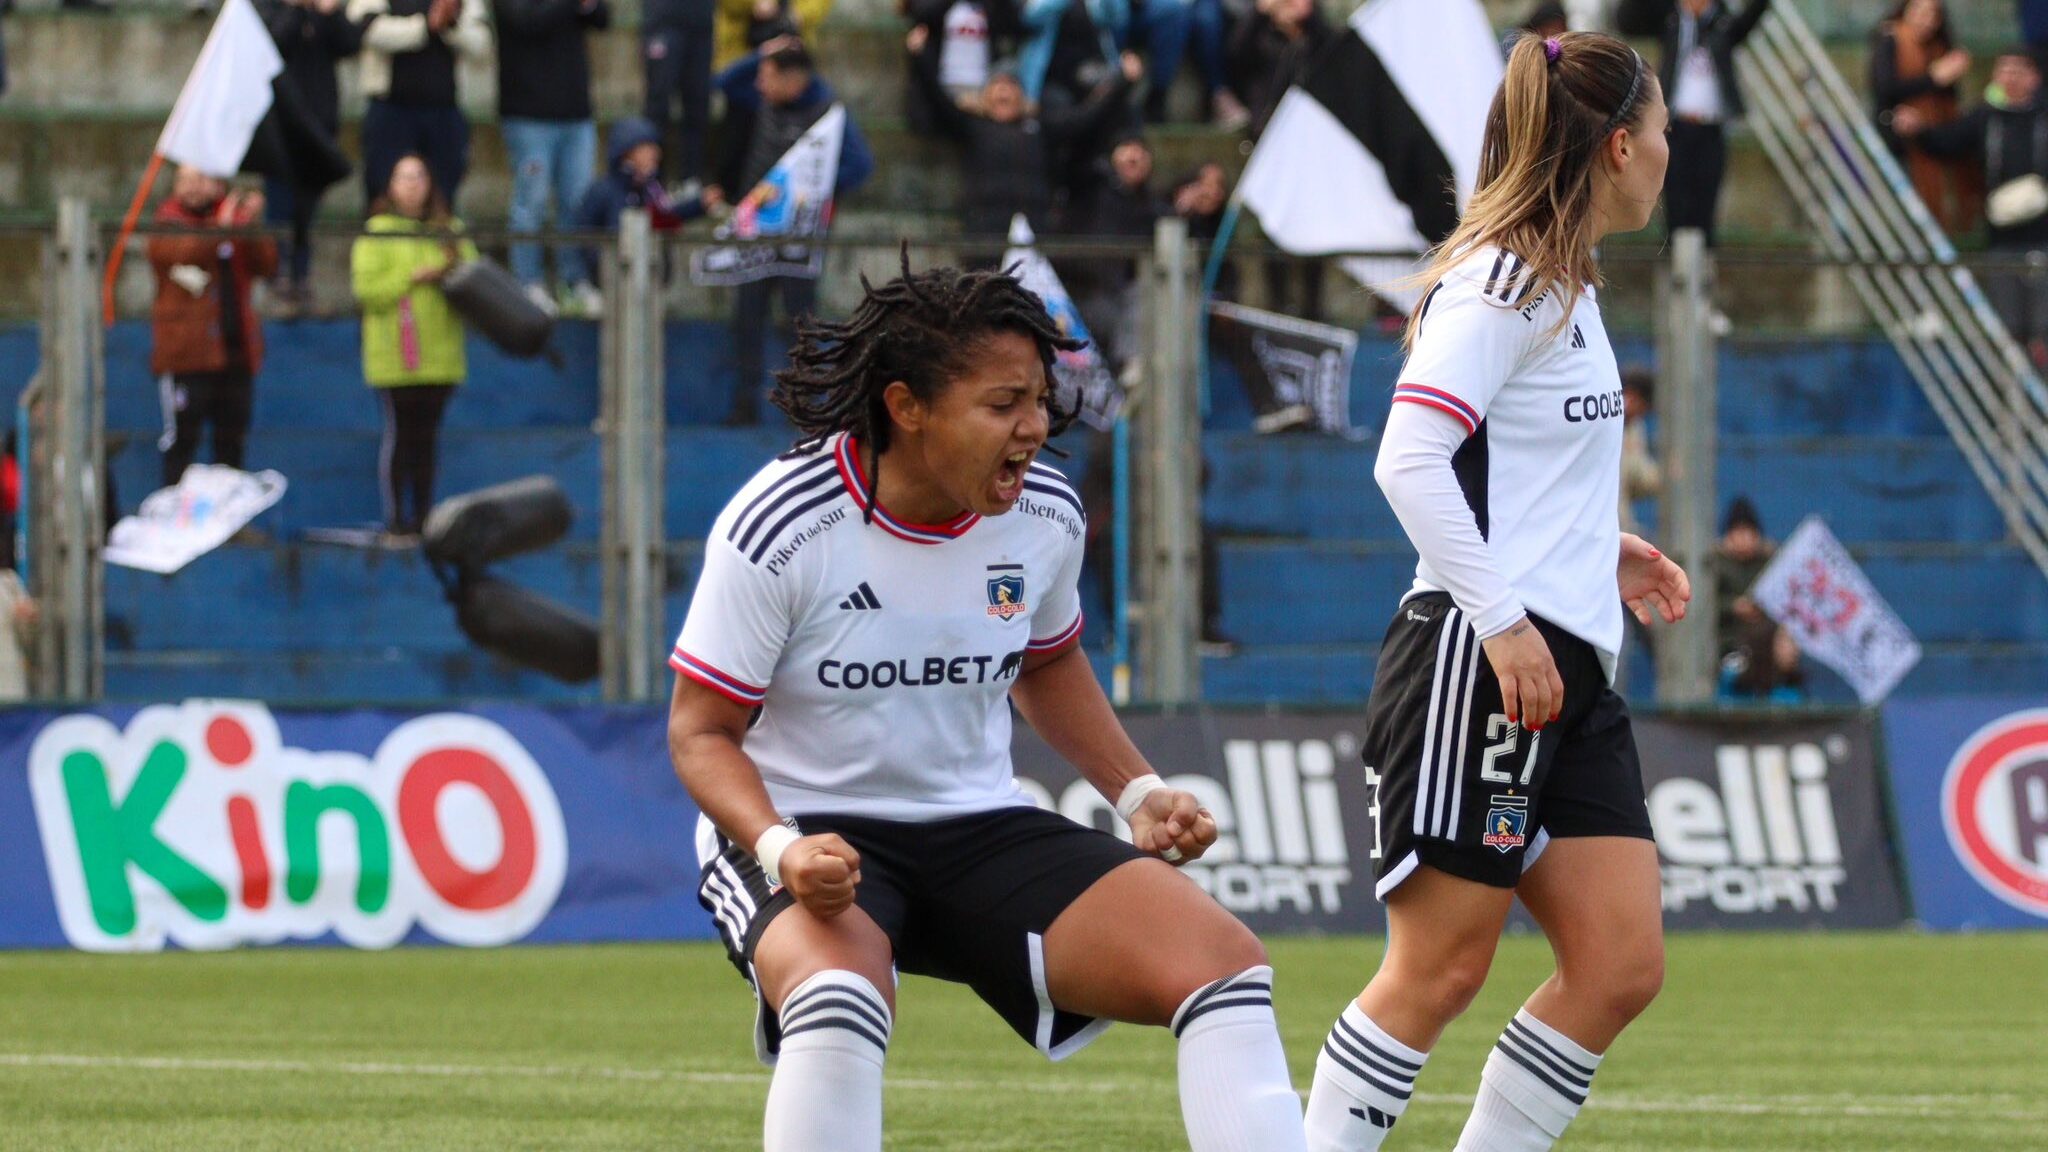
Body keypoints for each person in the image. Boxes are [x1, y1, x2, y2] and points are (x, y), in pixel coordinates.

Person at [668, 257, 1308, 1152]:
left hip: (977, 825)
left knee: (1227, 971)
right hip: (803, 824)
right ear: (906, 407)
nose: (1036, 428)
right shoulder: (784, 521)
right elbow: (699, 733)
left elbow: (1046, 664)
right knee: (838, 1003)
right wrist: (780, 848)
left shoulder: (1043, 511)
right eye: (1005, 404)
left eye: (1043, 400)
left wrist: (1138, 791)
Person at [1302, 32, 1690, 1152]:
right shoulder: (1506, 280)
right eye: (1659, 130)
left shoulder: (1565, 278)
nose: (1671, 150)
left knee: (1617, 966)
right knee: (1437, 971)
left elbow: (1506, 466)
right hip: (1480, 660)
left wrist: (1595, 546)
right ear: (1619, 146)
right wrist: (1507, 620)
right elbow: (1407, 459)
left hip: (1562, 659)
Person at [711, 37, 875, 426]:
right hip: (757, 233)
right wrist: (763, 51)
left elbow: (861, 165)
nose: (759, 83)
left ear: (793, 79)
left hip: (801, 239)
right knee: (746, 318)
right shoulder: (763, 103)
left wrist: (815, 188)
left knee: (800, 323)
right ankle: (744, 402)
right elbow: (726, 82)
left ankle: (803, 406)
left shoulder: (829, 113)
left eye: (767, 75)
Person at [350, 155, 478, 541]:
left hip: (440, 355)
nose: (412, 185)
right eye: (403, 177)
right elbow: (368, 291)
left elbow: (475, 281)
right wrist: (414, 277)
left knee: (427, 441)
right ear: (389, 185)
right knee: (401, 436)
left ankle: (424, 519)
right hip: (396, 356)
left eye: (419, 176)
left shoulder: (450, 230)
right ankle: (397, 519)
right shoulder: (377, 232)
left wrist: (448, 272)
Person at [1895, 49, 2048, 364]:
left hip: (2043, 240)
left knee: (2042, 332)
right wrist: (1919, 130)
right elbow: (1947, 143)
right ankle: (2013, 401)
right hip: (2002, 242)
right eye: (2004, 70)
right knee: (2009, 332)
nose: (2010, 78)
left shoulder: (2042, 118)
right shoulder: (1986, 118)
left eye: (2019, 71)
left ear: (2034, 78)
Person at [147, 166, 278, 488]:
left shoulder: (235, 224)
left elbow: (267, 264)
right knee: (182, 441)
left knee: (231, 443)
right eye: (186, 180)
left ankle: (227, 520)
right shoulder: (167, 223)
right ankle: (174, 519)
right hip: (187, 357)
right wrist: (221, 226)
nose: (194, 187)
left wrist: (250, 224)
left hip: (235, 354)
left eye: (201, 178)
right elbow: (184, 252)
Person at [1615, 0, 1769, 246]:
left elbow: (1750, 20)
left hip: (1711, 129)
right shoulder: (1671, 21)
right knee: (1675, 202)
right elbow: (1626, 20)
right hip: (1676, 127)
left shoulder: (1722, 24)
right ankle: (1676, 263)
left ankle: (1703, 263)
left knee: (1705, 202)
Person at [493, 0, 611, 313]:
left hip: (576, 111)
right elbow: (526, 20)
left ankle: (573, 281)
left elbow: (602, 18)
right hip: (527, 113)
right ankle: (527, 282)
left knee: (576, 201)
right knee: (531, 203)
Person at [256, 0, 364, 312]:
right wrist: (294, 9)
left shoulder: (323, 9)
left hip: (319, 123)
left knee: (307, 208)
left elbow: (349, 44)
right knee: (278, 206)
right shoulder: (269, 7)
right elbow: (273, 44)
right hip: (280, 124)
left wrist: (329, 14)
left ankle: (301, 277)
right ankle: (275, 276)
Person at [348, 0, 493, 206]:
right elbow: (366, 30)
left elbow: (482, 43)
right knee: (381, 194)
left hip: (444, 111)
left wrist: (451, 25)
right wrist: (426, 26)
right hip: (390, 109)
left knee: (444, 197)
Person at [567, 116, 720, 306]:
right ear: (627, 152)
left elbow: (666, 216)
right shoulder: (603, 191)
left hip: (649, 283)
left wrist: (699, 205)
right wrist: (599, 269)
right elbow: (585, 234)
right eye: (646, 147)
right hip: (611, 288)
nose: (654, 153)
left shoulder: (652, 189)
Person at [1871, 0, 1978, 234]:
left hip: (1934, 138)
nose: (1926, 19)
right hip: (1899, 141)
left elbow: (1949, 102)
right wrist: (1933, 78)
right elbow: (1884, 91)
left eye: (1933, 14)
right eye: (1919, 11)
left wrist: (1950, 72)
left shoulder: (1940, 48)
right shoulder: (1890, 38)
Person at [643, 0, 717, 186]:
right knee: (658, 107)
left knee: (698, 105)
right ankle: (652, 182)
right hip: (664, 22)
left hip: (701, 25)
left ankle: (690, 179)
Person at [1710, 494, 1773, 661]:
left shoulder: (1769, 563)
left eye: (1749, 532)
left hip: (1763, 648)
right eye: (1739, 531)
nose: (1744, 538)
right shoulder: (1715, 564)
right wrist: (1733, 607)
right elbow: (1704, 605)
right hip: (1725, 647)